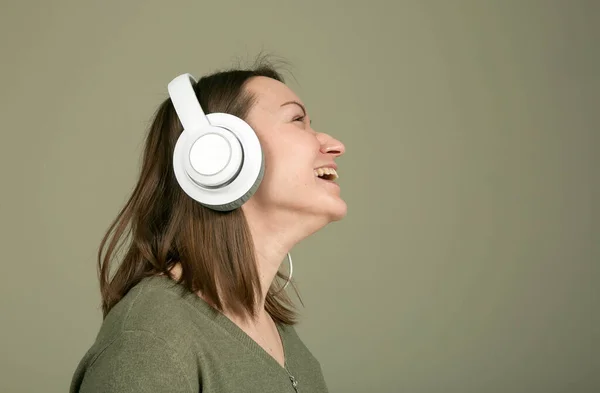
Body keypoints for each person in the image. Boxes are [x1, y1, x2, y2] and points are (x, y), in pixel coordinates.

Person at [69, 59, 346, 393]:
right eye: (297, 120)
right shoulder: (153, 340)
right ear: (217, 154)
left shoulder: (287, 343)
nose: (334, 144)